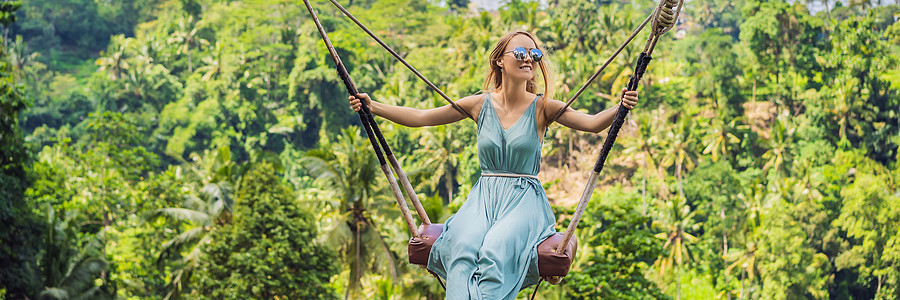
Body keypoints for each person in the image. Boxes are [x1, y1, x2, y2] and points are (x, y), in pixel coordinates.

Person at [349, 30, 638, 299]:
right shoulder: (479, 103)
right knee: (462, 249)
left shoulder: (544, 107)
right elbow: (422, 117)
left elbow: (593, 124)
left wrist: (620, 106)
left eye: (535, 55)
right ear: (500, 60)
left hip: (523, 199)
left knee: (496, 249)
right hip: (484, 197)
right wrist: (374, 107)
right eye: (521, 52)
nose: (529, 58)